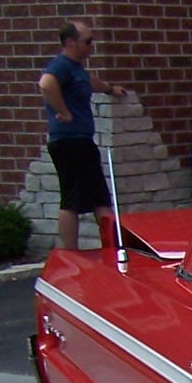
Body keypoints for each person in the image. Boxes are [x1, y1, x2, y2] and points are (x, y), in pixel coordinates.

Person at [38, 20, 126, 250]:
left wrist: (110, 89)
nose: (91, 46)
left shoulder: (76, 69)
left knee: (99, 197)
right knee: (72, 200)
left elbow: (89, 82)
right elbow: (46, 84)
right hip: (68, 141)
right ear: (70, 42)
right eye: (87, 41)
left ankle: (114, 248)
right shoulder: (61, 66)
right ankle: (70, 253)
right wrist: (62, 111)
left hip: (82, 141)